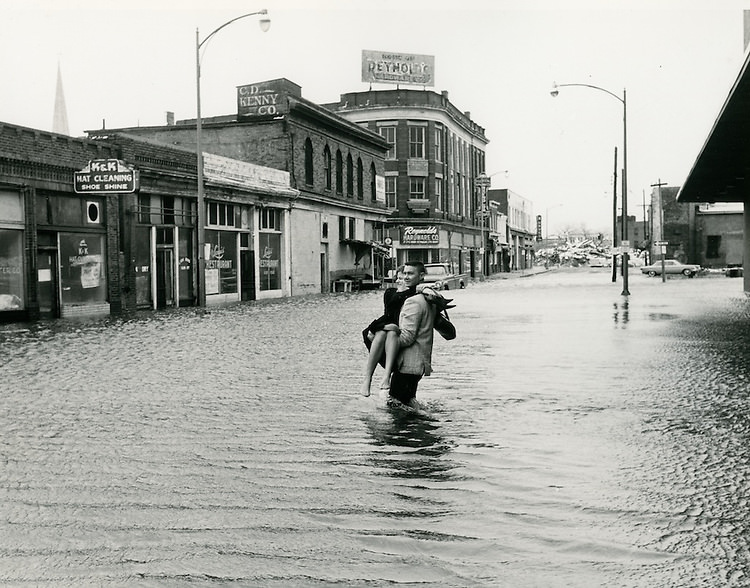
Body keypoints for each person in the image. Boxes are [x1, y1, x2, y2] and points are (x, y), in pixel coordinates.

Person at [387, 261, 439, 409]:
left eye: (410, 274)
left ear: (421, 276)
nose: (405, 277)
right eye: (404, 273)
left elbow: (407, 337)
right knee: (408, 402)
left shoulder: (413, 302)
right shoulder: (428, 299)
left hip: (408, 364)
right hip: (418, 364)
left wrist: (386, 338)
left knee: (395, 406)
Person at [359, 266, 414, 397]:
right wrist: (401, 291)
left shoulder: (413, 296)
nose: (401, 281)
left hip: (398, 326)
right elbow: (391, 306)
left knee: (392, 331)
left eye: (404, 279)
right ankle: (368, 379)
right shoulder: (390, 292)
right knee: (382, 332)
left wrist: (406, 291)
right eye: (399, 278)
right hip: (385, 323)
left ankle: (386, 375)